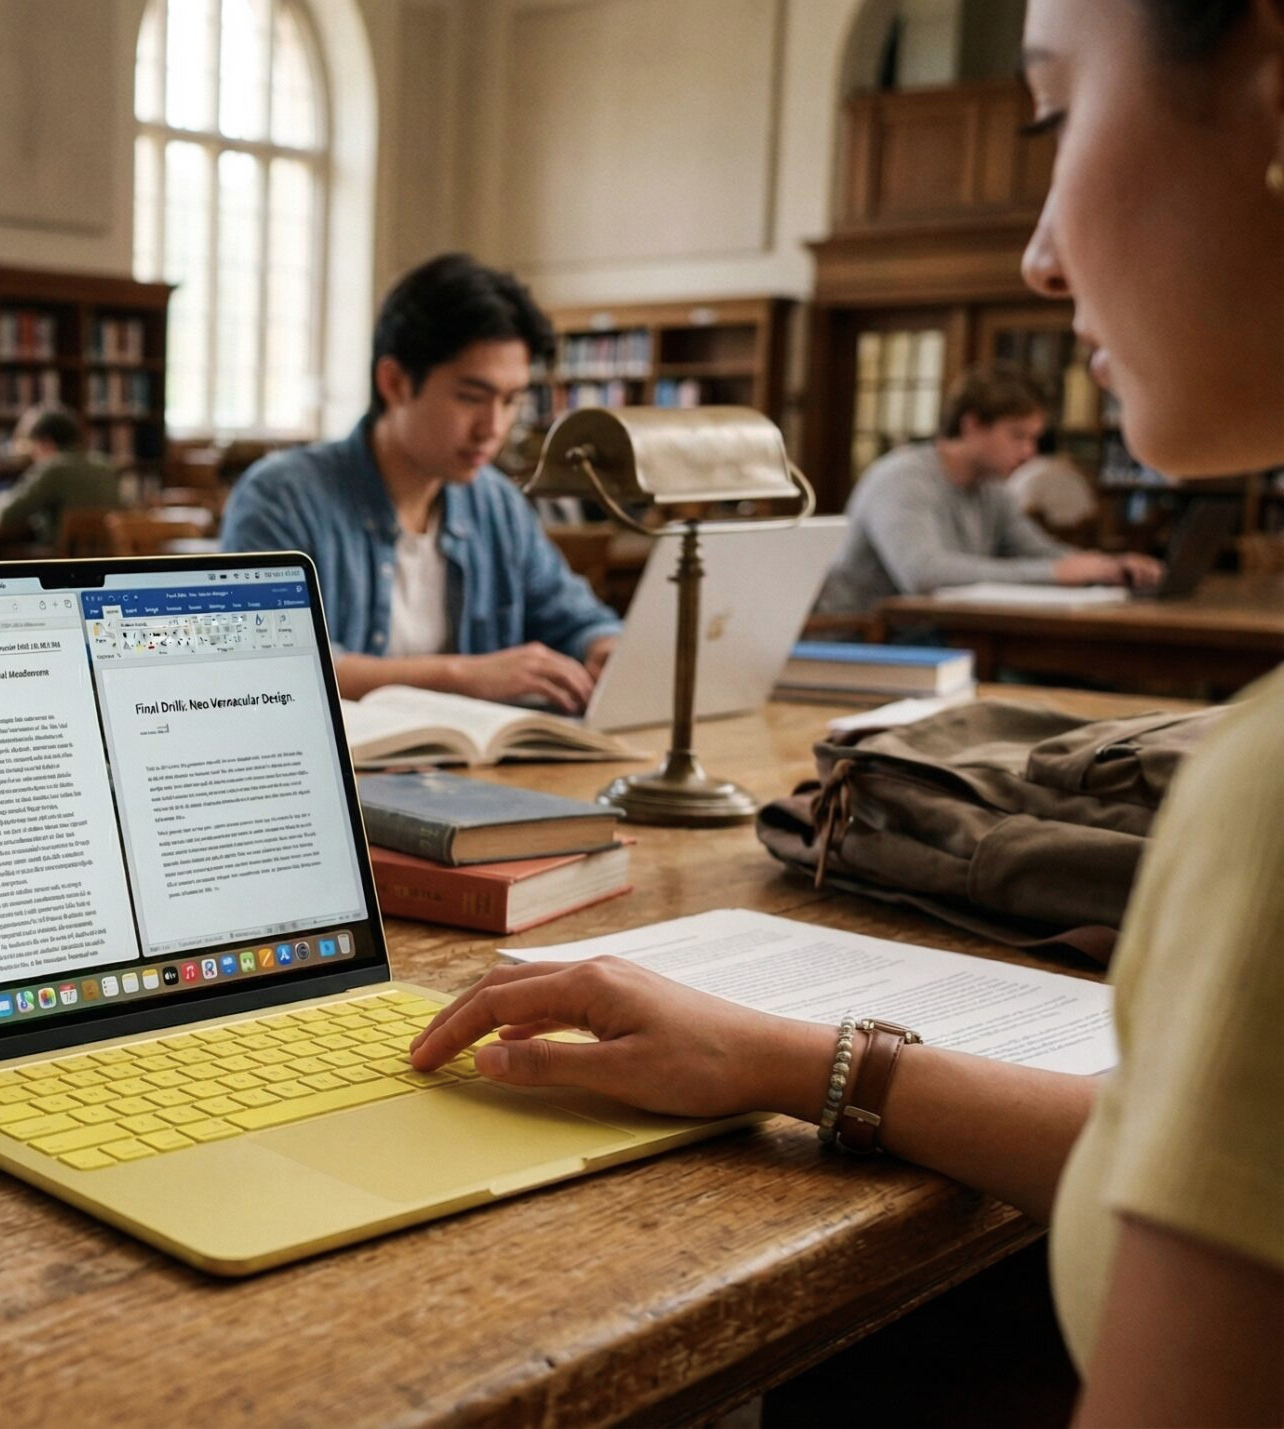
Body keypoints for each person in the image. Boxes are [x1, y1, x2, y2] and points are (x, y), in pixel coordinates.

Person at [409, 2, 1284, 1419]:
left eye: (1054, 116)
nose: (1039, 251)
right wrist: (779, 1055)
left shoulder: (1268, 803)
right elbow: (1183, 1151)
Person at [221, 254, 619, 713]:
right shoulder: (282, 497)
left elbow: (576, 618)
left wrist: (603, 646)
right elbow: (266, 667)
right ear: (393, 382)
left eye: (511, 401)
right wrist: (462, 677)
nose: (493, 427)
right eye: (472, 397)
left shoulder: (497, 505)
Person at [815, 366, 1159, 614]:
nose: (1029, 452)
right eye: (1018, 436)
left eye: (1033, 439)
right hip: (870, 643)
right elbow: (924, 575)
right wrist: (1055, 574)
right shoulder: (902, 479)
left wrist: (1110, 566)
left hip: (935, 635)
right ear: (972, 425)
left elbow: (1037, 550)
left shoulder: (991, 488)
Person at [0, 404, 120, 547]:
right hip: (105, 558)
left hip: (60, 560)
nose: (33, 455)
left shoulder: (52, 467)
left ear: (46, 443)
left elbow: (8, 515)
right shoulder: (106, 465)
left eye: (33, 446)